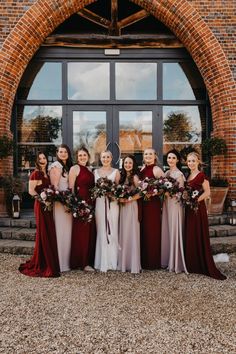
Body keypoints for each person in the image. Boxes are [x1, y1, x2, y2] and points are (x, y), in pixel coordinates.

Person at [185, 151, 226, 280]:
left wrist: (195, 200)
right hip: (188, 209)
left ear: (198, 162)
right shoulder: (188, 175)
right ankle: (191, 263)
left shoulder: (202, 175)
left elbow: (207, 192)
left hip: (197, 208)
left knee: (197, 232)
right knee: (190, 233)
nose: (191, 163)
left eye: (193, 161)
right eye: (189, 161)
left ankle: (200, 263)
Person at [19, 152, 60, 277]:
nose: (42, 160)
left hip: (48, 206)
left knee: (49, 231)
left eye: (44, 158)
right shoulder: (36, 173)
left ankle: (50, 260)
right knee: (43, 232)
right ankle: (43, 262)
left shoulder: (46, 173)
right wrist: (43, 200)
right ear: (36, 161)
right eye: (40, 158)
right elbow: (31, 191)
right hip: (41, 206)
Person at [69, 146, 96, 271]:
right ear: (77, 157)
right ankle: (81, 262)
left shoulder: (91, 169)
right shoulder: (74, 169)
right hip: (81, 204)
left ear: (88, 156)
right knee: (81, 233)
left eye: (84, 155)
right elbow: (71, 189)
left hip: (91, 203)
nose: (82, 157)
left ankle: (89, 260)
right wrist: (76, 206)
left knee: (90, 233)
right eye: (80, 155)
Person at [161, 149, 188, 274]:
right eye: (168, 158)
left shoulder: (179, 174)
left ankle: (176, 262)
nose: (170, 160)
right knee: (168, 229)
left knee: (174, 229)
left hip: (176, 205)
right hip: (167, 204)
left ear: (177, 160)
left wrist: (169, 193)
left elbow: (181, 193)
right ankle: (168, 259)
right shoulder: (166, 173)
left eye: (173, 158)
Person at [94, 150, 120, 272]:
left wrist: (111, 193)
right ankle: (101, 261)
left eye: (108, 157)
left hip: (112, 204)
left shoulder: (116, 172)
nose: (105, 159)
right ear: (100, 158)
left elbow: (118, 190)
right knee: (101, 229)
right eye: (103, 157)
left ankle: (112, 261)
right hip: (99, 204)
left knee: (112, 228)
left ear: (111, 158)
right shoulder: (95, 172)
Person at [49, 144, 73, 273]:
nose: (63, 153)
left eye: (65, 151)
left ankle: (67, 261)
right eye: (61, 152)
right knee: (60, 231)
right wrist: (64, 202)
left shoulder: (68, 167)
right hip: (60, 204)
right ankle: (59, 262)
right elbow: (55, 188)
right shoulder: (56, 167)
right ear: (57, 154)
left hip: (68, 203)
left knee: (68, 232)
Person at [140, 148, 164, 269]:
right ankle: (143, 260)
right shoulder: (142, 169)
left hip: (152, 205)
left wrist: (153, 193)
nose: (148, 156)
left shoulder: (157, 169)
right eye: (146, 154)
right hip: (142, 204)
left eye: (150, 154)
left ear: (155, 156)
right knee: (143, 230)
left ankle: (153, 261)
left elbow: (164, 188)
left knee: (152, 231)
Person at [118, 155, 141, 274]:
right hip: (122, 208)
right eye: (126, 163)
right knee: (123, 232)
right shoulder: (121, 176)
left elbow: (141, 193)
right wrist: (119, 199)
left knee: (131, 232)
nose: (127, 165)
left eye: (130, 163)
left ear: (133, 164)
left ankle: (132, 263)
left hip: (131, 206)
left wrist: (129, 199)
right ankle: (123, 262)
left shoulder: (135, 177)